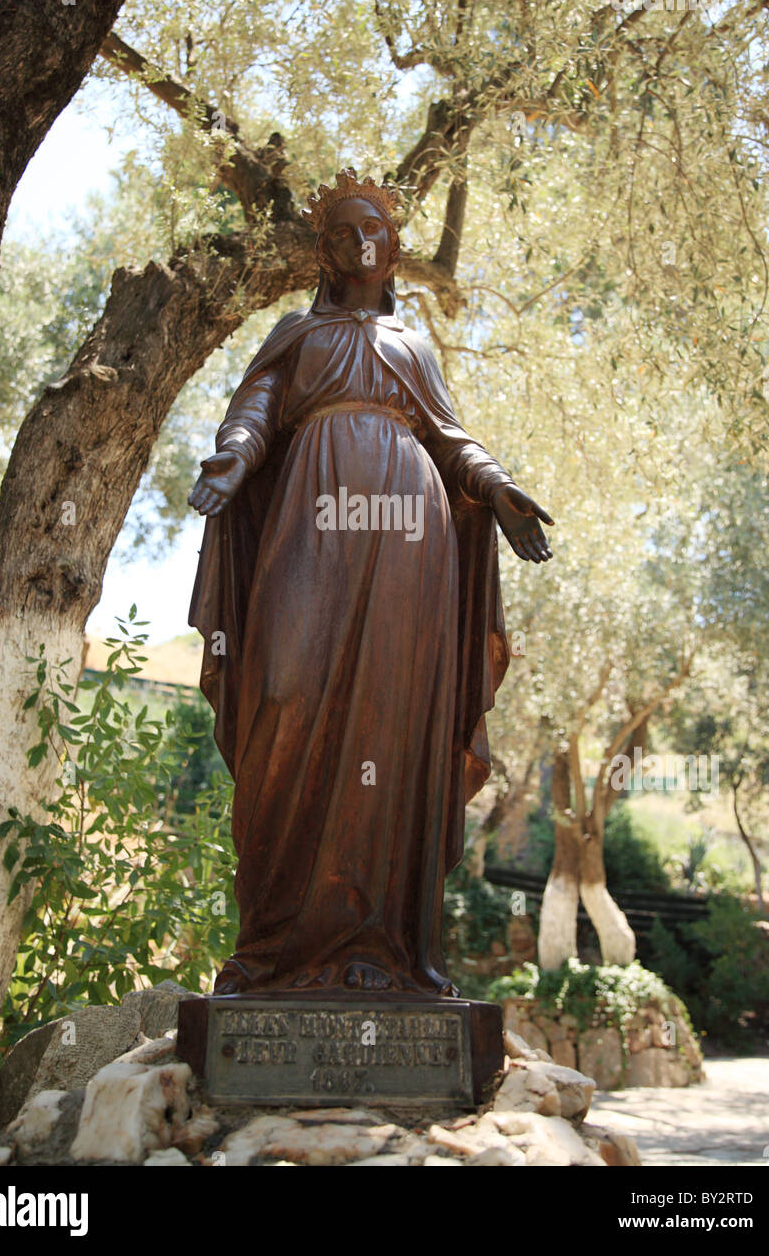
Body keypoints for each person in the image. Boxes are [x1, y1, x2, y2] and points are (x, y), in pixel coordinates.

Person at [188, 169, 553, 996]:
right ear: (324, 248)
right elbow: (256, 408)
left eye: (376, 231)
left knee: (394, 729)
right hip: (310, 520)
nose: (362, 243)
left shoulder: (412, 348)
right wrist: (234, 458)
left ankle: (382, 945)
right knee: (282, 694)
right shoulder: (296, 335)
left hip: (409, 539)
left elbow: (453, 438)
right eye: (346, 231)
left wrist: (496, 491)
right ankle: (276, 943)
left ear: (394, 248)